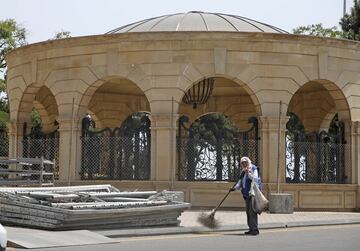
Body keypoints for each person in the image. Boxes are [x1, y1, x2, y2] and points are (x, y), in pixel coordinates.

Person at [229, 156, 261, 235]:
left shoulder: (253, 168)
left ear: (248, 162)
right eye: (242, 163)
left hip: (253, 194)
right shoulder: (243, 172)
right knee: (248, 212)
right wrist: (234, 188)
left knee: (252, 212)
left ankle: (255, 229)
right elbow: (240, 183)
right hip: (246, 194)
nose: (244, 164)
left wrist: (248, 173)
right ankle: (251, 228)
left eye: (245, 162)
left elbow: (256, 179)